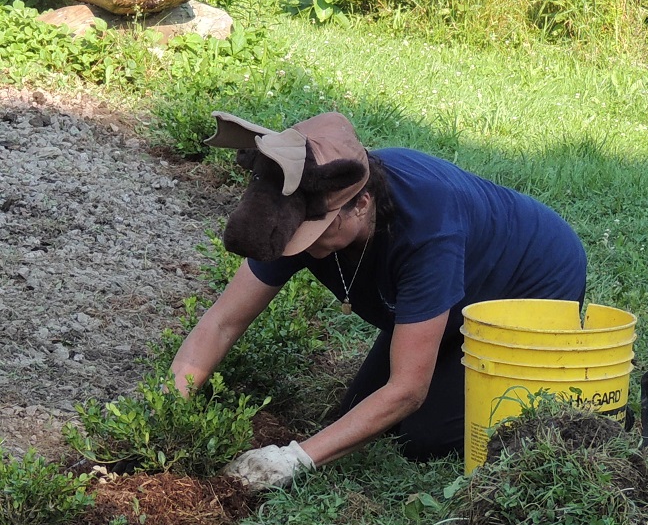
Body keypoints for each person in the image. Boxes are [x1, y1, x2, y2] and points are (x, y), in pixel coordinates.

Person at [169, 111, 587, 490]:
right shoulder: (297, 208)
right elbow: (222, 322)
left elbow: (407, 390)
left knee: (423, 436)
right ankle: (448, 352)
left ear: (361, 204)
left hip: (527, 286)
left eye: (317, 235)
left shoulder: (427, 229)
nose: (307, 248)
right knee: (354, 415)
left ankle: (562, 387)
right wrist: (169, 411)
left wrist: (293, 460)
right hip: (449, 296)